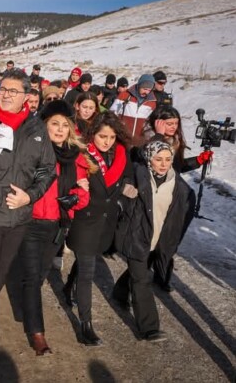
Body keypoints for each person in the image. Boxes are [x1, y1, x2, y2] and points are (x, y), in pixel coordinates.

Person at [0, 69, 56, 381]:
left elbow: (47, 169)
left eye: (13, 91)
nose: (5, 94)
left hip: (18, 219)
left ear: (26, 97)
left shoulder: (37, 129)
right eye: (3, 89)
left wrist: (31, 196)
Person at [8, 100, 95, 356]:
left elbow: (84, 194)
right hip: (31, 222)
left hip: (57, 226)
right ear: (44, 126)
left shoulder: (76, 158)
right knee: (32, 276)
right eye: (54, 124)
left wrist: (75, 197)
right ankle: (38, 334)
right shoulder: (33, 153)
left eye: (64, 125)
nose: (59, 130)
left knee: (39, 276)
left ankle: (27, 308)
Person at [64, 111, 135, 347]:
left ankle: (67, 287)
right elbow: (68, 180)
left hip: (106, 222)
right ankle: (86, 325)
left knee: (87, 260)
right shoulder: (82, 154)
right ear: (93, 134)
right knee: (87, 272)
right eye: (103, 136)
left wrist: (123, 198)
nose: (107, 141)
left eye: (112, 137)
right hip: (85, 220)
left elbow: (127, 179)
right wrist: (77, 185)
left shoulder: (121, 155)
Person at [112, 139, 190, 341]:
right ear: (149, 159)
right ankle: (149, 328)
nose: (164, 164)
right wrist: (124, 189)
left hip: (158, 240)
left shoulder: (178, 186)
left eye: (168, 159)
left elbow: (179, 218)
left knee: (137, 271)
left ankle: (119, 292)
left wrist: (170, 243)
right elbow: (117, 185)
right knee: (142, 279)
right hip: (136, 235)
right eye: (158, 159)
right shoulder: (137, 175)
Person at [138, 106, 209, 290]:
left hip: (172, 196)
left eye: (176, 123)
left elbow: (176, 168)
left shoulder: (175, 141)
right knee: (153, 241)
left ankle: (162, 275)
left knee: (169, 238)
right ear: (158, 122)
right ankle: (128, 286)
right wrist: (158, 136)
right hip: (154, 196)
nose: (173, 127)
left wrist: (197, 161)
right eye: (169, 123)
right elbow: (142, 161)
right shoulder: (146, 138)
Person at [110, 74, 158, 147]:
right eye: (144, 89)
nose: (146, 92)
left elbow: (149, 123)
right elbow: (112, 114)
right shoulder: (124, 95)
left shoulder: (152, 102)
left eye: (149, 90)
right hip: (121, 139)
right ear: (139, 85)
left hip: (139, 142)